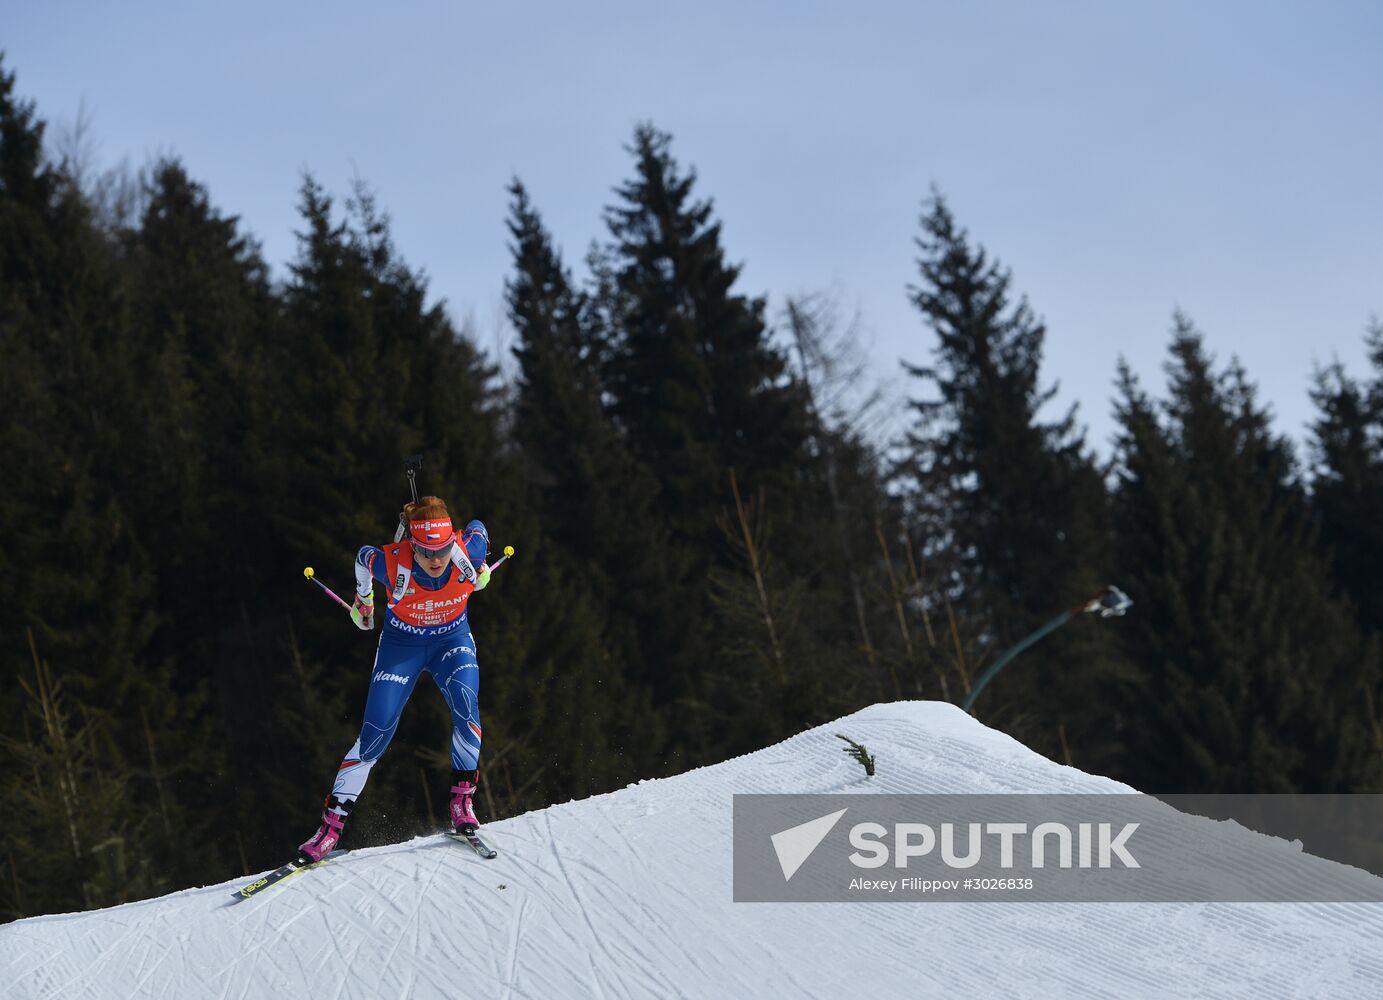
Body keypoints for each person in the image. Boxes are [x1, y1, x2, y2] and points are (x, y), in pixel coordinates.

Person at [298, 495, 492, 862]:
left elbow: (479, 526)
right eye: (425, 552)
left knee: (467, 709)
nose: (436, 560)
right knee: (374, 735)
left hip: (451, 640)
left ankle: (462, 802)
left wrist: (480, 574)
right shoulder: (392, 564)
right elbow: (362, 556)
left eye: (443, 550)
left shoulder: (470, 553)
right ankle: (329, 829)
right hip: (402, 646)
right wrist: (364, 600)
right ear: (411, 546)